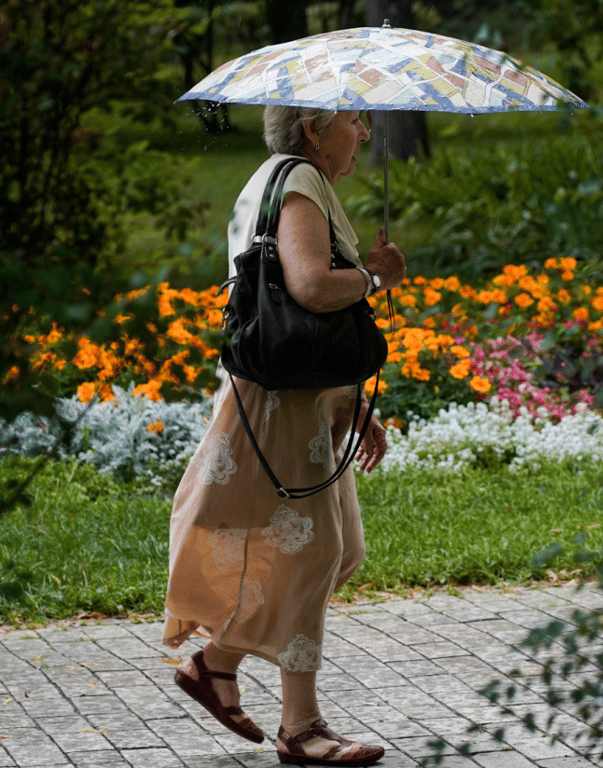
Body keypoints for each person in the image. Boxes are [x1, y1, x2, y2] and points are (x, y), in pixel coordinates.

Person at [161, 106, 406, 768]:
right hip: (278, 408)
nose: (364, 133)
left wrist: (352, 404)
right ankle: (301, 728)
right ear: (311, 127)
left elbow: (307, 319)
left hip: (304, 405)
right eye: (352, 120)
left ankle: (216, 665)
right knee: (314, 554)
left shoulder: (294, 179)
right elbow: (310, 287)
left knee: (339, 550)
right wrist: (377, 273)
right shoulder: (297, 179)